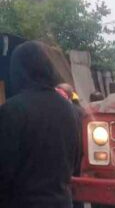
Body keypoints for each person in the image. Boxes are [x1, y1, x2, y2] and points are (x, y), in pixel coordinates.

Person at [0, 41, 80, 208]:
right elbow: (75, 162)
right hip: (62, 202)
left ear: (18, 71)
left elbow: (4, 169)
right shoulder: (71, 110)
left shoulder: (12, 110)